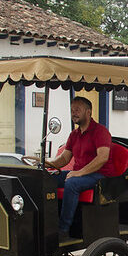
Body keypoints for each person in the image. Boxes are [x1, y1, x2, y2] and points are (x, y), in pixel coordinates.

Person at [49, 97, 116, 241]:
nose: (74, 113)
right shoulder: (74, 135)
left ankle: (63, 229)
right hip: (81, 174)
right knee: (47, 179)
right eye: (72, 110)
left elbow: (102, 158)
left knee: (72, 183)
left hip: (100, 176)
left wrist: (79, 173)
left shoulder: (100, 131)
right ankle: (48, 224)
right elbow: (64, 159)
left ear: (89, 112)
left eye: (77, 110)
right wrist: (47, 165)